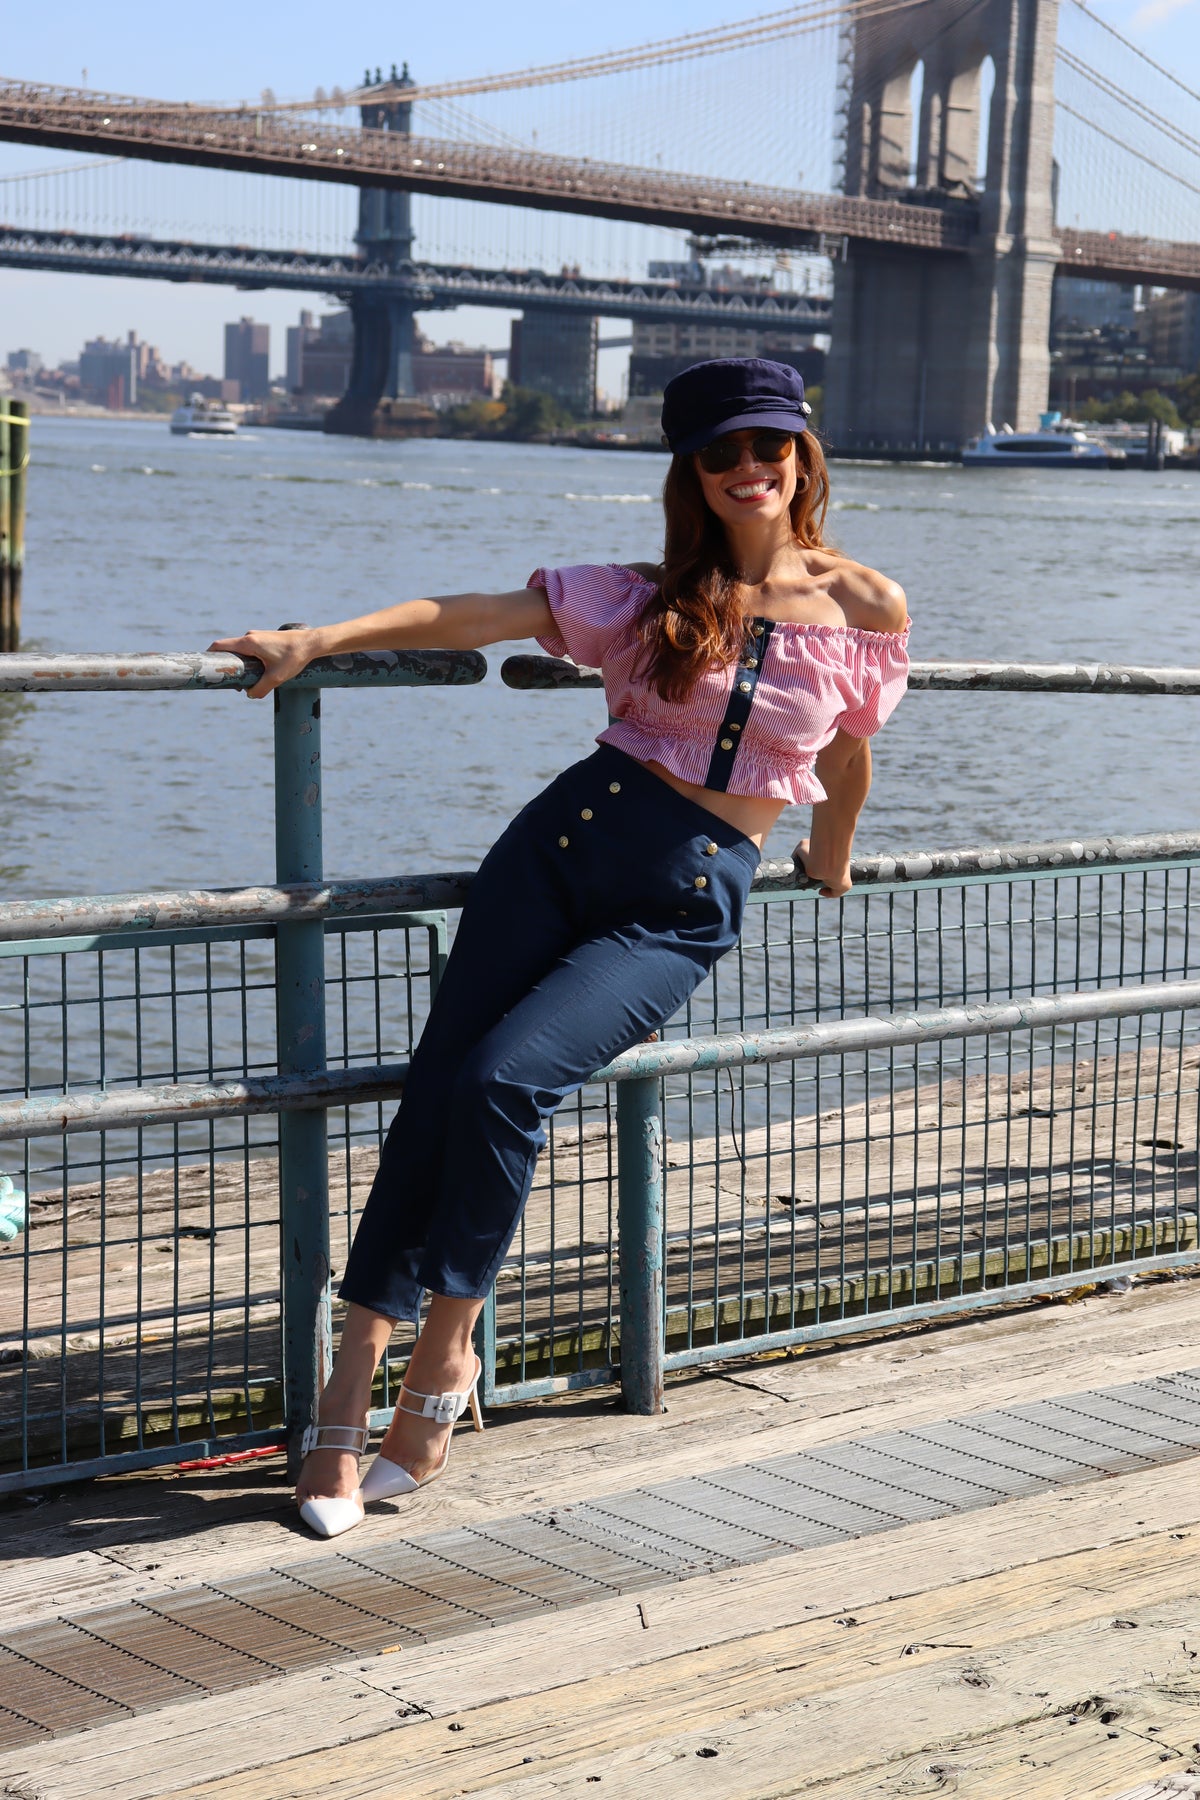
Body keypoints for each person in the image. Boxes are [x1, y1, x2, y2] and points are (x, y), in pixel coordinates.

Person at [210, 357, 910, 1538]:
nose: (749, 470)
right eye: (720, 453)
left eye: (767, 447)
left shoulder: (865, 606)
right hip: (556, 850)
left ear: (802, 456)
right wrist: (315, 637)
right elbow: (480, 615)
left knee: (504, 1081)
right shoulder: (647, 592)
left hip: (681, 899)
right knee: (438, 1090)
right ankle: (346, 1379)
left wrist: (833, 851)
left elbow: (845, 749)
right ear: (691, 472)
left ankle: (445, 1357)